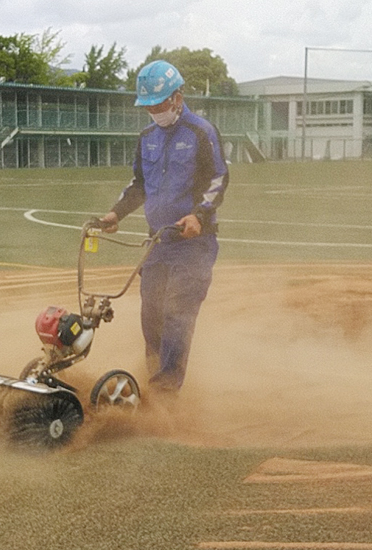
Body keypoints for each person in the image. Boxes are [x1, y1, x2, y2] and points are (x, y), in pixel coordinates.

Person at [99, 60, 229, 393]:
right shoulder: (147, 137)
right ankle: (153, 377)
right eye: (149, 106)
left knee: (178, 314)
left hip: (192, 243)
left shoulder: (200, 131)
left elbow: (218, 177)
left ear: (177, 97)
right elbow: (139, 184)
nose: (155, 110)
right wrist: (116, 213)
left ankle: (165, 392)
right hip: (156, 243)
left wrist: (198, 216)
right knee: (152, 315)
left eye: (159, 103)